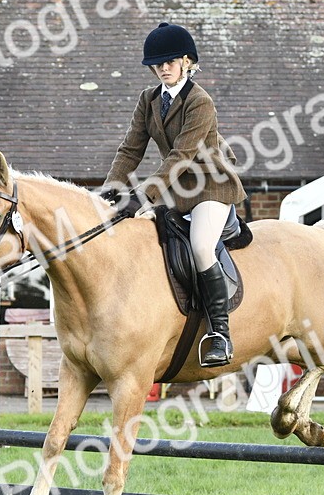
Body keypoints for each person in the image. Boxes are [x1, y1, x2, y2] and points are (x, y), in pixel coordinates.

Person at [102, 22, 247, 367]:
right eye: (158, 63)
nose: (164, 68)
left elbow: (182, 154)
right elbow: (130, 149)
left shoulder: (200, 101)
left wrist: (143, 194)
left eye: (171, 62)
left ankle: (220, 335)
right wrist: (111, 189)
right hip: (178, 186)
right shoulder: (149, 99)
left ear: (187, 62)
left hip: (211, 185)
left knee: (200, 245)